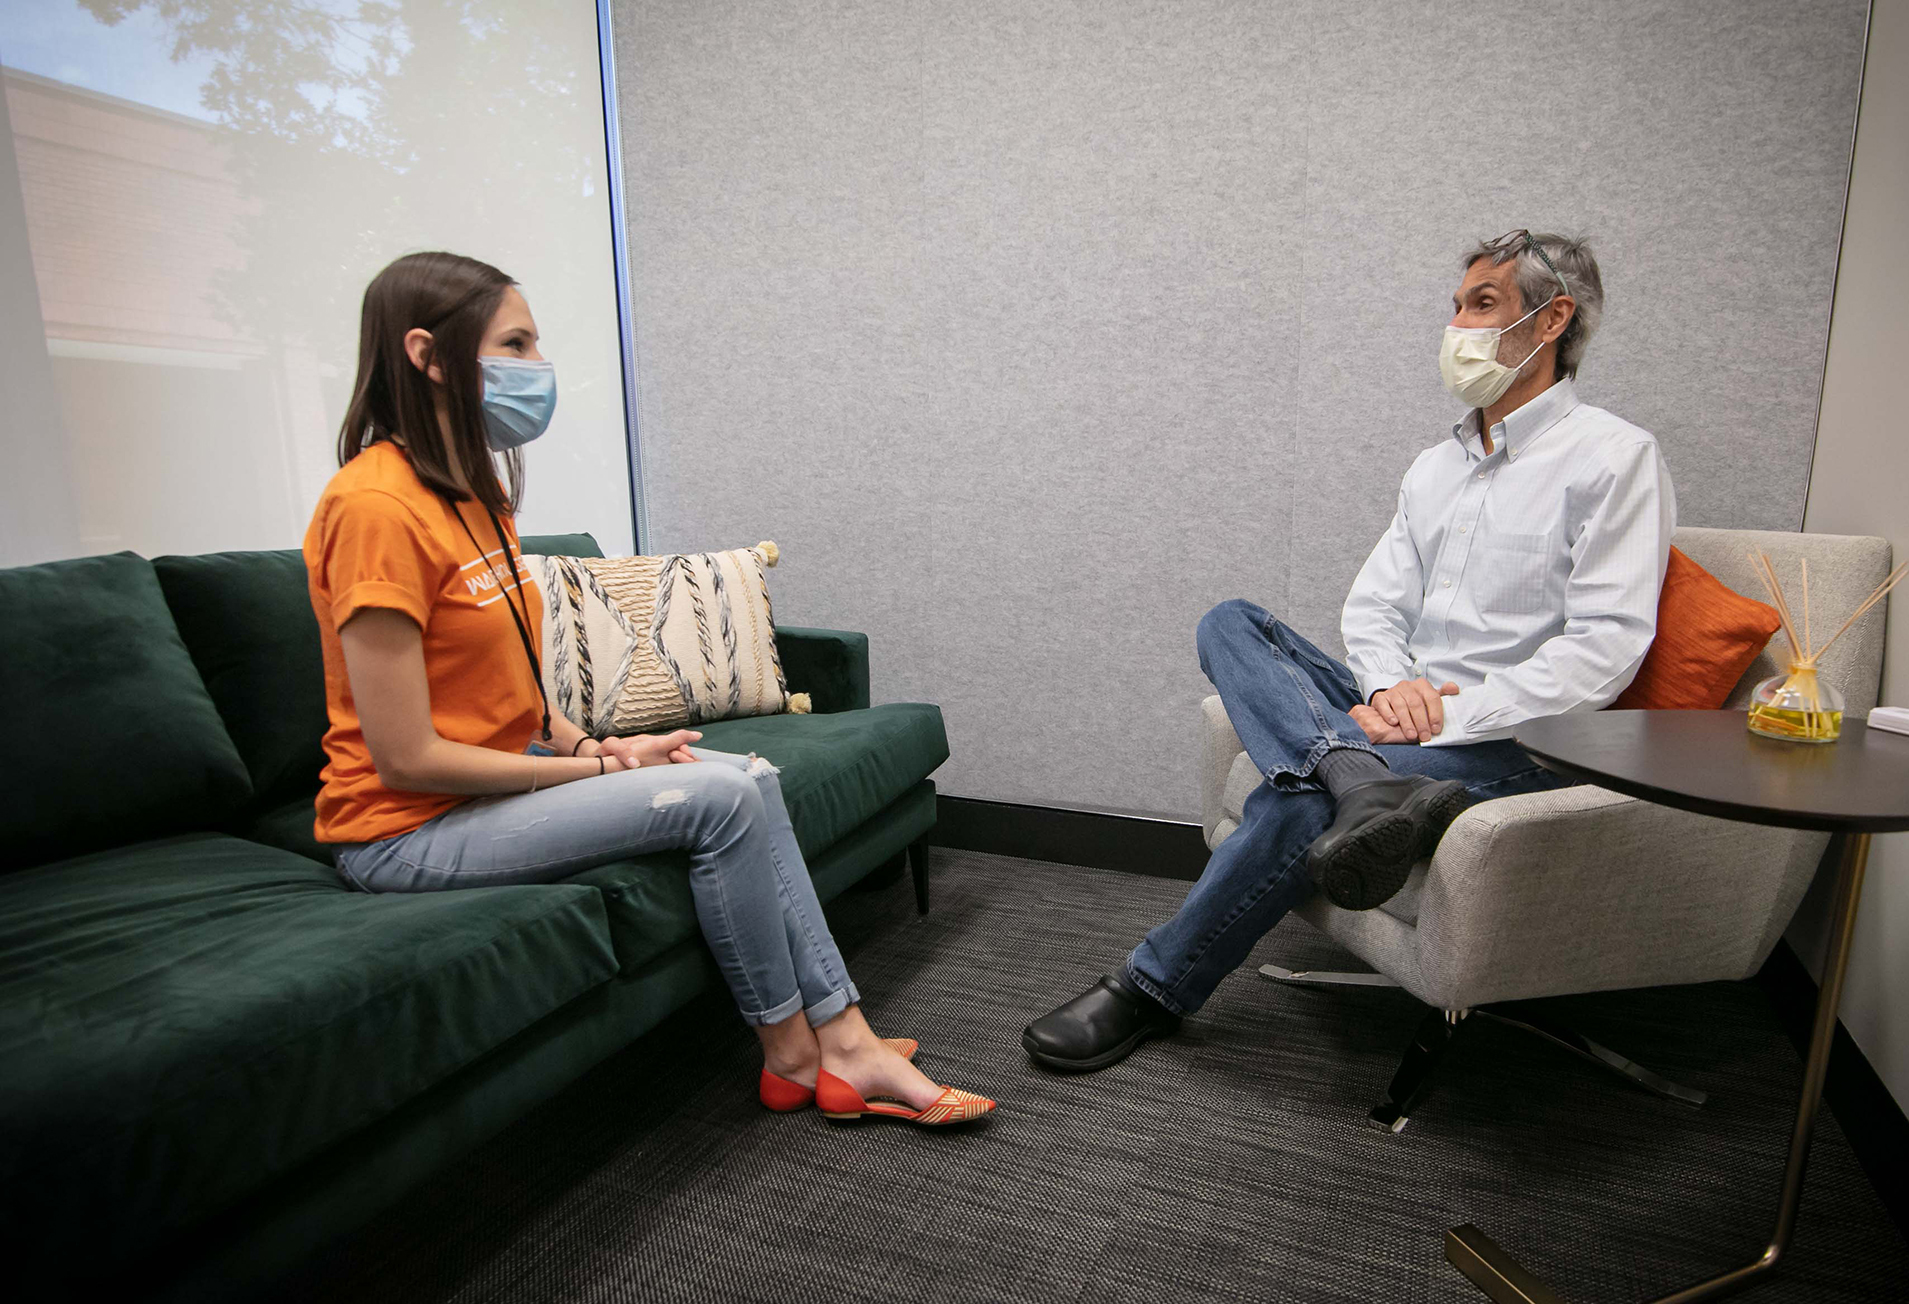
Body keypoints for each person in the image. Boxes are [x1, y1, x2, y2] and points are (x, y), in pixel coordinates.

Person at [307, 251, 992, 1128]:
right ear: (428, 355)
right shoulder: (370, 510)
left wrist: (595, 744)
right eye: (514, 343)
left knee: (748, 775)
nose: (536, 366)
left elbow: (510, 679)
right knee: (718, 799)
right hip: (405, 831)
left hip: (488, 785)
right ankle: (803, 1052)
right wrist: (600, 778)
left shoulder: (474, 495)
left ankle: (831, 1044)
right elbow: (407, 756)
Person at [1024, 230, 1676, 1072]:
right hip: (1395, 713)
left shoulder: (1616, 459)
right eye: (1455, 307)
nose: (1458, 326)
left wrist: (1444, 709)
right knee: (1232, 621)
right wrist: (1394, 687)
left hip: (1514, 736)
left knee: (1299, 802)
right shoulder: (1434, 467)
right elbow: (1375, 605)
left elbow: (1604, 651)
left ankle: (1149, 986)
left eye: (1483, 305)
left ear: (1551, 320)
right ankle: (1358, 775)